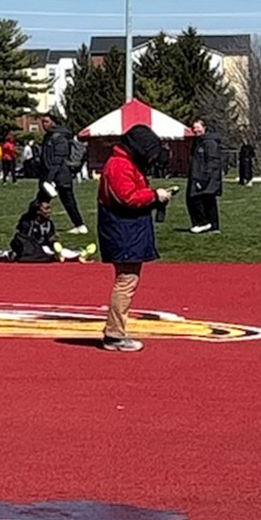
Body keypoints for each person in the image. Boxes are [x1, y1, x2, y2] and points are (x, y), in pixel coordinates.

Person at [97, 124, 172, 352]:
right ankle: (114, 333)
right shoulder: (120, 165)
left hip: (128, 229)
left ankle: (116, 331)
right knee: (126, 280)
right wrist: (154, 195)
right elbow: (127, 197)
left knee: (128, 280)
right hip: (123, 230)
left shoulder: (126, 163)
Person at [38, 113, 89, 234]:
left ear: (53, 122)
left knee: (65, 201)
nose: (44, 124)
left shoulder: (59, 137)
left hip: (60, 176)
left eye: (46, 121)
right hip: (53, 176)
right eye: (43, 122)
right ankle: (79, 225)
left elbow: (58, 159)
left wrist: (50, 178)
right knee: (44, 201)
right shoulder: (49, 136)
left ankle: (80, 225)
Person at [10, 196, 92, 263]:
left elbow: (49, 239)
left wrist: (53, 240)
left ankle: (80, 254)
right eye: (46, 209)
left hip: (45, 248)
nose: (49, 211)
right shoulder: (28, 223)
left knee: (63, 252)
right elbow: (25, 240)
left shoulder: (49, 223)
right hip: (32, 248)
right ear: (38, 211)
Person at [186, 119, 223, 234]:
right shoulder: (198, 142)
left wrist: (204, 178)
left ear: (204, 127)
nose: (196, 130)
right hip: (198, 175)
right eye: (194, 128)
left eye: (198, 127)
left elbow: (212, 161)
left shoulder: (209, 142)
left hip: (206, 177)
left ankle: (204, 223)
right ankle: (211, 225)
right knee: (206, 201)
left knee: (197, 200)